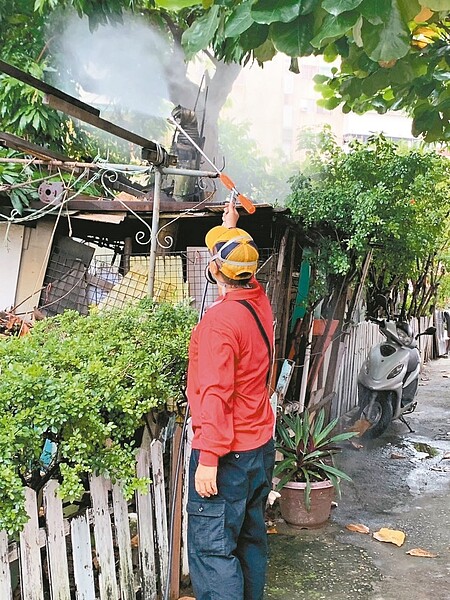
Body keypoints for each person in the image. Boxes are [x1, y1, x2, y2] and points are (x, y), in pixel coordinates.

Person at [186, 202, 275, 600]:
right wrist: (230, 227)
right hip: (259, 448)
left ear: (217, 271)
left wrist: (208, 458)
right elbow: (232, 263)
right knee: (249, 542)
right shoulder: (259, 300)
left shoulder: (218, 324)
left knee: (213, 552)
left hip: (227, 455)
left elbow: (215, 395)